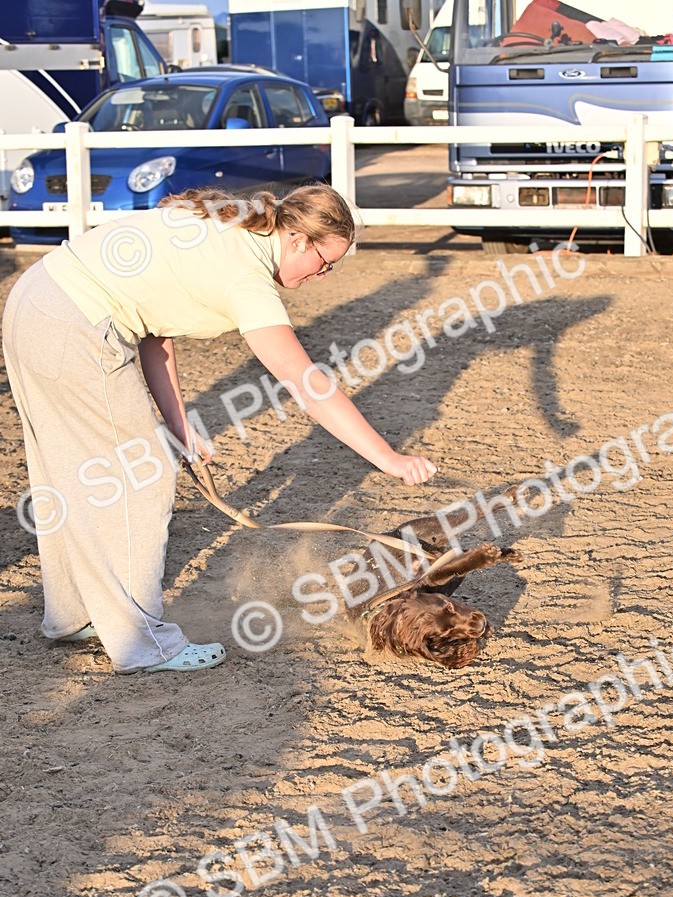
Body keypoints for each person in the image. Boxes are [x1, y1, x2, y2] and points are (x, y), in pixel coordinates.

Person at [2, 184, 437, 675]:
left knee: (74, 472)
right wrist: (390, 459)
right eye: (325, 262)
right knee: (141, 477)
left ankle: (73, 616)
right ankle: (141, 643)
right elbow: (306, 384)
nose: (323, 275)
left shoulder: (233, 228)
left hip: (36, 300)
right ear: (297, 239)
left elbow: (153, 326)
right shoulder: (247, 279)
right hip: (75, 323)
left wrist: (179, 425)